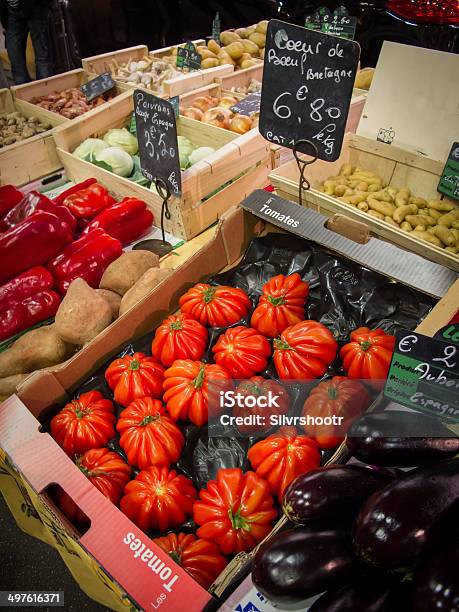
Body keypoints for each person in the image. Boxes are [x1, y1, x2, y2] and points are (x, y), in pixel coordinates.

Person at [1, 0, 54, 84]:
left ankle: (45, 92)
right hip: (10, 11)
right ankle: (23, 94)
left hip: (35, 8)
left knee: (42, 56)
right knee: (15, 59)